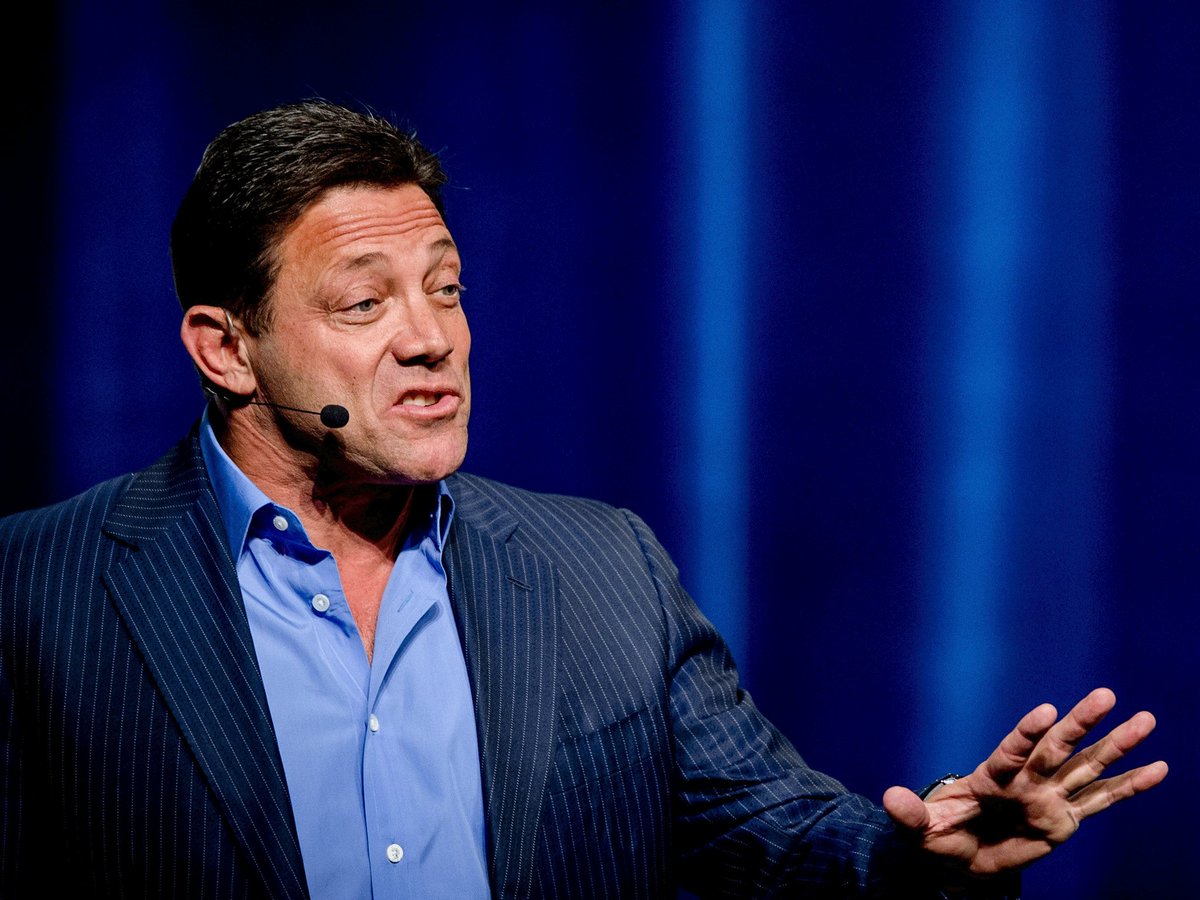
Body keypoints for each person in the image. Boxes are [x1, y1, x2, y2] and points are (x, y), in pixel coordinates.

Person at [0, 99, 1166, 899]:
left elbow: (774, 832)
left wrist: (926, 857)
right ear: (226, 348)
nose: (432, 338)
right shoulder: (34, 590)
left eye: (446, 289)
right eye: (365, 303)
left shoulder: (603, 565)